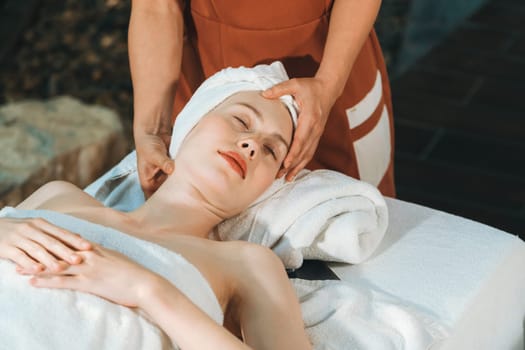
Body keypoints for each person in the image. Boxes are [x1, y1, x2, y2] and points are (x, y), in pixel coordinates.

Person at [0, 65, 311, 349]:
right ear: (192, 122)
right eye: (241, 120)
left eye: (271, 150)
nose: (251, 144)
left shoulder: (246, 264)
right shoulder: (59, 195)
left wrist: (147, 290)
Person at [129, 0, 396, 199]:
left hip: (328, 62)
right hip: (206, 68)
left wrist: (328, 84)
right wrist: (153, 129)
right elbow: (155, 6)